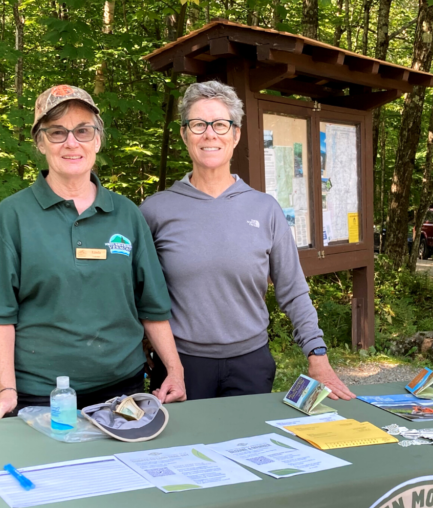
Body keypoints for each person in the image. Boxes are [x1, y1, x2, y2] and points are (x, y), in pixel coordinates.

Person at [0, 84, 186, 419]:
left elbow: (152, 305)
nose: (71, 142)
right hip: (41, 396)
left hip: (123, 391)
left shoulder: (126, 214)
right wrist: (7, 391)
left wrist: (175, 371)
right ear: (40, 142)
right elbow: (0, 315)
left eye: (83, 131)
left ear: (98, 140)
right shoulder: (12, 216)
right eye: (57, 132)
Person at [140, 81, 353, 401]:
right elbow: (139, 296)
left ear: (236, 134)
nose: (210, 134)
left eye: (221, 124)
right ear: (184, 134)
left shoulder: (265, 209)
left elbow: (293, 291)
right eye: (198, 124)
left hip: (251, 364)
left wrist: (317, 357)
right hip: (181, 365)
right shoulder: (155, 211)